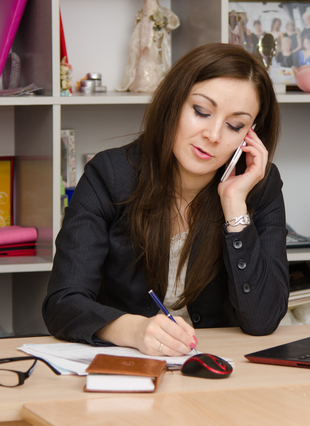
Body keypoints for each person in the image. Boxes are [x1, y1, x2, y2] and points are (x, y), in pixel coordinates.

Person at [43, 43, 289, 357]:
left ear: (249, 135)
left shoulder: (259, 185)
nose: (213, 134)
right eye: (201, 111)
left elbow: (263, 320)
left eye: (234, 125)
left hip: (219, 368)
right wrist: (133, 329)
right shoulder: (108, 176)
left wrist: (234, 205)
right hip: (129, 367)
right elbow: (62, 304)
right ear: (173, 103)